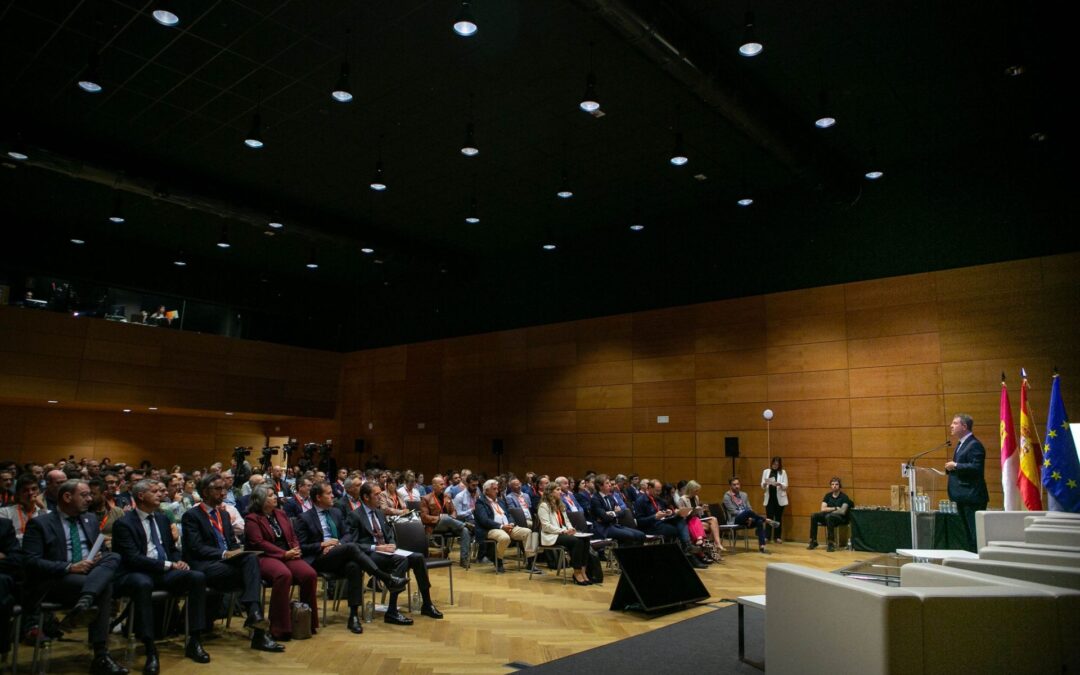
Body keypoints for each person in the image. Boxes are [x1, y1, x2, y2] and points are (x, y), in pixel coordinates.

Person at [22, 479, 127, 674]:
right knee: (105, 587)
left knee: (113, 556)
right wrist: (69, 567)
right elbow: (31, 562)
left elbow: (102, 551)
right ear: (67, 497)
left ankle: (85, 601)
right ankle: (101, 654)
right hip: (58, 580)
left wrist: (98, 557)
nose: (90, 498)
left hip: (89, 574)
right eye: (84, 495)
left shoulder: (90, 520)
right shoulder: (40, 523)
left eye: (89, 494)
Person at [112, 480, 210, 673]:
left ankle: (195, 640)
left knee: (197, 577)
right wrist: (169, 564)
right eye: (155, 491)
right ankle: (150, 648)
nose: (161, 494)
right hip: (135, 573)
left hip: (163, 572)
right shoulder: (124, 523)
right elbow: (132, 558)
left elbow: (171, 549)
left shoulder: (163, 519)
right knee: (143, 583)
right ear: (140, 496)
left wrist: (178, 561)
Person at [181, 473, 283, 653]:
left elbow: (232, 542)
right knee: (252, 574)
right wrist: (224, 553)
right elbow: (196, 548)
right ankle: (257, 625)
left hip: (226, 566)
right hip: (205, 566)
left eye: (225, 489)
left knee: (251, 560)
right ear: (205, 492)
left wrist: (237, 551)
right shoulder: (192, 515)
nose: (223, 493)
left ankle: (255, 617)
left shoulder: (224, 514)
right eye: (218, 489)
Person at [294, 480, 407, 634]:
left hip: (339, 552)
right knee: (352, 548)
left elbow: (347, 534)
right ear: (318, 497)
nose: (333, 495)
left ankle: (353, 616)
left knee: (354, 566)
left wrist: (337, 544)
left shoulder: (336, 512)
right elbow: (302, 547)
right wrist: (322, 545)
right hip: (319, 559)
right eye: (328, 493)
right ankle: (385, 578)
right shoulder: (304, 518)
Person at [347, 482, 443, 623]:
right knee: (401, 560)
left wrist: (392, 543)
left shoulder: (379, 513)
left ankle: (427, 603)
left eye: (380, 493)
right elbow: (353, 544)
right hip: (370, 554)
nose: (380, 497)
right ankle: (391, 611)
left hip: (388, 551)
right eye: (376, 494)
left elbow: (389, 533)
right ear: (366, 497)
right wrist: (377, 548)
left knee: (418, 558)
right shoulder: (355, 515)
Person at [244, 485, 318, 641]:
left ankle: (306, 622)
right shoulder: (252, 518)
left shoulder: (281, 513)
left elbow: (292, 535)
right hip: (264, 556)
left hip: (288, 553)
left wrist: (295, 549)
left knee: (309, 574)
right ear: (261, 500)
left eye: (274, 494)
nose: (275, 497)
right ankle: (279, 628)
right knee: (283, 575)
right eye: (270, 495)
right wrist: (283, 554)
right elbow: (258, 543)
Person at [945, 413, 988, 552]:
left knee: (975, 535)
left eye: (955, 423)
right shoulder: (962, 444)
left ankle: (978, 561)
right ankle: (971, 559)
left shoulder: (974, 444)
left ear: (964, 426)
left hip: (972, 496)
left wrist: (956, 466)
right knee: (968, 535)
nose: (951, 426)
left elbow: (977, 467)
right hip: (963, 495)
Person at [537, 483, 593, 585]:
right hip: (550, 535)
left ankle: (583, 571)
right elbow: (546, 526)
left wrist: (571, 529)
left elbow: (567, 521)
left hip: (562, 533)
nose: (560, 492)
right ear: (550, 492)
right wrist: (563, 531)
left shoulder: (560, 504)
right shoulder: (543, 506)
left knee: (585, 539)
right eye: (558, 490)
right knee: (576, 541)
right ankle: (577, 572)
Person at [474, 479, 530, 573]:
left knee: (528, 532)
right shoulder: (480, 502)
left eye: (497, 489)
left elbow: (508, 514)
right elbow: (484, 520)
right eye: (494, 489)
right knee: (504, 538)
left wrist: (511, 523)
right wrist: (501, 526)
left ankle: (530, 562)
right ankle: (498, 561)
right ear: (486, 491)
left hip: (508, 526)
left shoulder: (500, 501)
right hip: (491, 529)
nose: (497, 491)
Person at [419, 476, 471, 567]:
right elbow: (424, 517)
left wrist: (453, 516)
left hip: (450, 524)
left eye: (444, 484)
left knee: (465, 531)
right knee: (445, 518)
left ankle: (464, 560)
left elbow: (454, 511)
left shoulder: (447, 497)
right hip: (434, 526)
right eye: (441, 484)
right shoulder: (426, 499)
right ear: (434, 486)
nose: (444, 486)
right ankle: (464, 524)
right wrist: (439, 518)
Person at [723, 477, 777, 554]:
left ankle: (762, 547)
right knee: (748, 512)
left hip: (748, 518)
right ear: (730, 486)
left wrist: (750, 517)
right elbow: (733, 511)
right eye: (734, 485)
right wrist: (747, 515)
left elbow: (749, 508)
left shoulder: (744, 495)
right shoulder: (727, 496)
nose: (736, 486)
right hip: (735, 519)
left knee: (759, 521)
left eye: (738, 484)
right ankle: (766, 520)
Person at [589, 474, 646, 546]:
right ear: (600, 486)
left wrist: (612, 513)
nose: (610, 485)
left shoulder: (609, 497)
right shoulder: (595, 499)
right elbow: (604, 517)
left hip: (613, 525)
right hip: (603, 528)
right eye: (607, 483)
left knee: (641, 535)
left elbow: (622, 513)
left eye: (609, 483)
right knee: (630, 535)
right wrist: (615, 513)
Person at [677, 480, 725, 561]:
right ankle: (706, 548)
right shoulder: (682, 499)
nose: (697, 492)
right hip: (688, 522)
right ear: (691, 489)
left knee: (713, 519)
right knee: (698, 520)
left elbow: (699, 515)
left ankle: (718, 543)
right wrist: (694, 511)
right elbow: (682, 515)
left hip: (697, 520)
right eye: (696, 490)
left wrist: (703, 509)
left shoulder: (696, 497)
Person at [807, 478, 855, 552]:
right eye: (832, 484)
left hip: (840, 518)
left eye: (836, 484)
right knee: (814, 516)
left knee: (829, 517)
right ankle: (813, 541)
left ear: (839, 486)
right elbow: (823, 508)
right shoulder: (828, 496)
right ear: (830, 486)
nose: (834, 486)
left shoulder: (844, 497)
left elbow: (842, 511)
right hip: (829, 516)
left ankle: (831, 543)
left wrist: (830, 511)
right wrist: (835, 508)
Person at [0, 472, 49, 540]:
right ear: (18, 494)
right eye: (25, 490)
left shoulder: (46, 512)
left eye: (34, 489)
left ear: (39, 491)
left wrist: (42, 508)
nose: (30, 493)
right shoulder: (4, 512)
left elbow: (48, 534)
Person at [760, 457, 789, 544]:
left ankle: (777, 537)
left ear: (779, 465)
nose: (775, 465)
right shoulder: (766, 471)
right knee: (769, 518)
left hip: (779, 498)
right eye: (774, 464)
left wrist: (779, 484)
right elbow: (762, 485)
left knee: (778, 518)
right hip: (769, 498)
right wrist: (765, 483)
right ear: (771, 463)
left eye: (777, 464)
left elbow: (786, 486)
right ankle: (767, 537)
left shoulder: (782, 472)